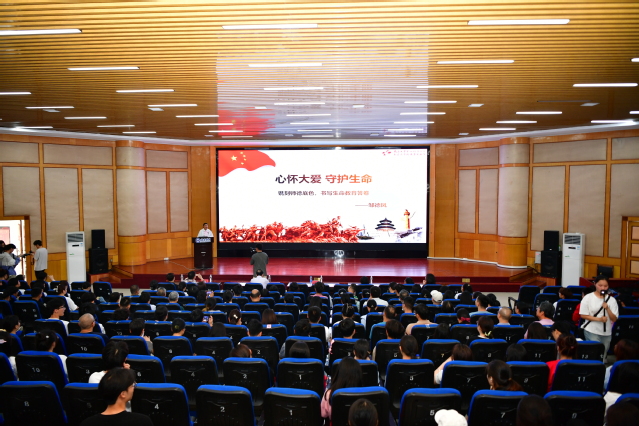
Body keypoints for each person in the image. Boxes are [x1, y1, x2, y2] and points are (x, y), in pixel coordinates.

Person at [80, 367, 153, 426]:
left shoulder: (87, 423)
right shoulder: (142, 421)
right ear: (123, 394)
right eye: (132, 385)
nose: (134, 388)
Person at [580, 276, 619, 359]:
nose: (603, 288)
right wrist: (599, 319)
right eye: (600, 285)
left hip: (606, 332)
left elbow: (614, 319)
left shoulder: (612, 300)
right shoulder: (588, 297)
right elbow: (583, 315)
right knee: (594, 354)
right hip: (591, 330)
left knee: (603, 355)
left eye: (605, 286)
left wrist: (607, 308)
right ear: (595, 284)